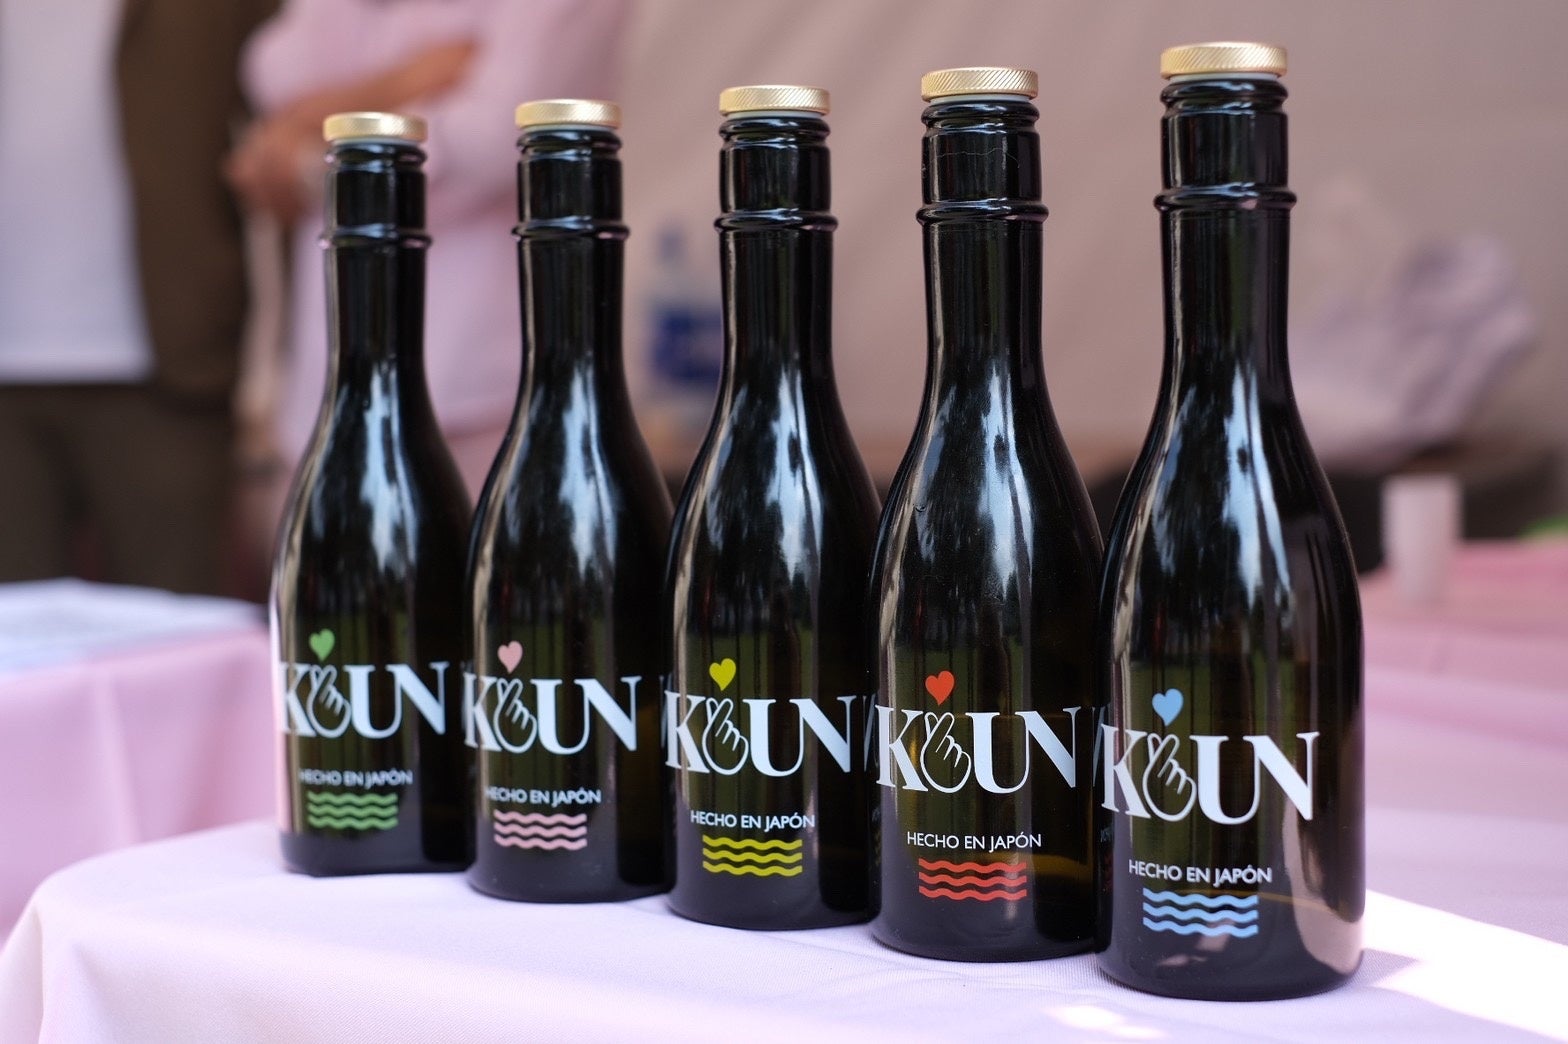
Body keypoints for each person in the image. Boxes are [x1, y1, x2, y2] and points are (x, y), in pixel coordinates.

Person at [228, 0, 629, 500]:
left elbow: (488, 142)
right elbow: (275, 71)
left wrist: (313, 160)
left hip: (484, 396)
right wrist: (405, 81)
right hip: (330, 382)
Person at [0, 0, 275, 594]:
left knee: (179, 629)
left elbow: (289, 118)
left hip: (171, 366)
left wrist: (284, 368)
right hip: (9, 379)